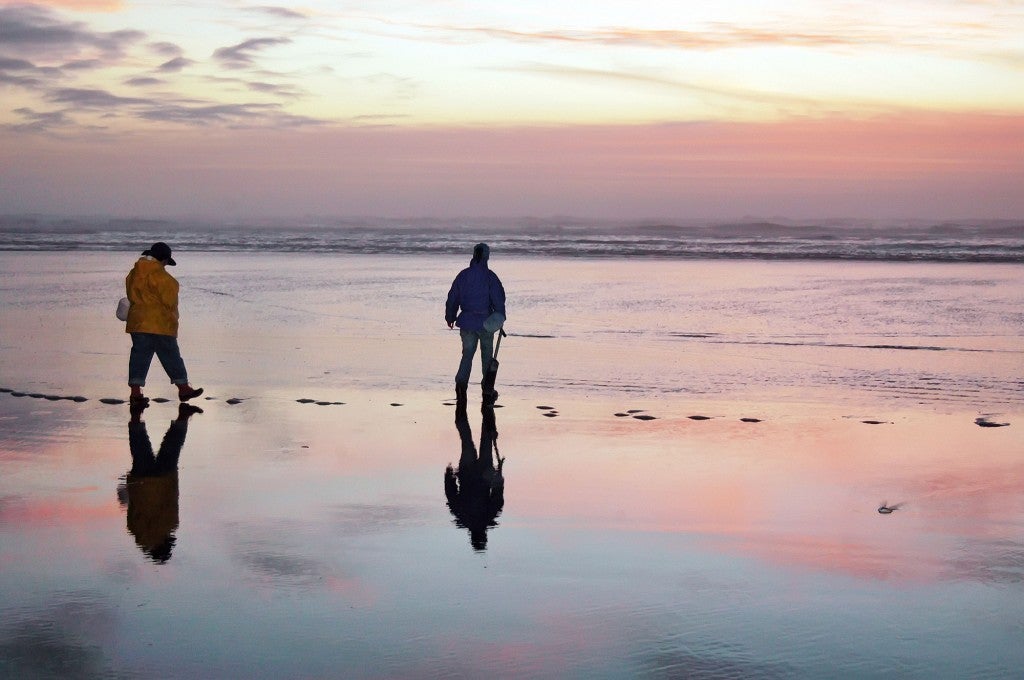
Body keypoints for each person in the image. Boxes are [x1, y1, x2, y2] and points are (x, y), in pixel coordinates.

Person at [124, 242, 203, 405]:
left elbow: (130, 294)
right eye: (167, 262)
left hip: (138, 321)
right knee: (171, 355)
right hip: (160, 323)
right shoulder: (164, 278)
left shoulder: (133, 273)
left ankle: (135, 393)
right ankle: (183, 388)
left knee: (139, 356)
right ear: (163, 260)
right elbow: (169, 301)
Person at [445, 243, 506, 404]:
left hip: (466, 323)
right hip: (486, 324)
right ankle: (487, 390)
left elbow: (453, 297)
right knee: (487, 358)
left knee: (467, 355)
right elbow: (499, 300)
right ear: (487, 256)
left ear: (474, 255)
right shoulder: (490, 277)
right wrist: (500, 318)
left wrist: (450, 317)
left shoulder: (463, 275)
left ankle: (460, 385)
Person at [445, 404, 504, 551]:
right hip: (468, 472)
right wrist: (449, 476)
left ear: (483, 536)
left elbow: (497, 497)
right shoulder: (463, 517)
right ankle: (471, 405)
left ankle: (486, 405)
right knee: (466, 439)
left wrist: (498, 476)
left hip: (483, 473)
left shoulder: (485, 518)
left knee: (485, 438)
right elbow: (451, 495)